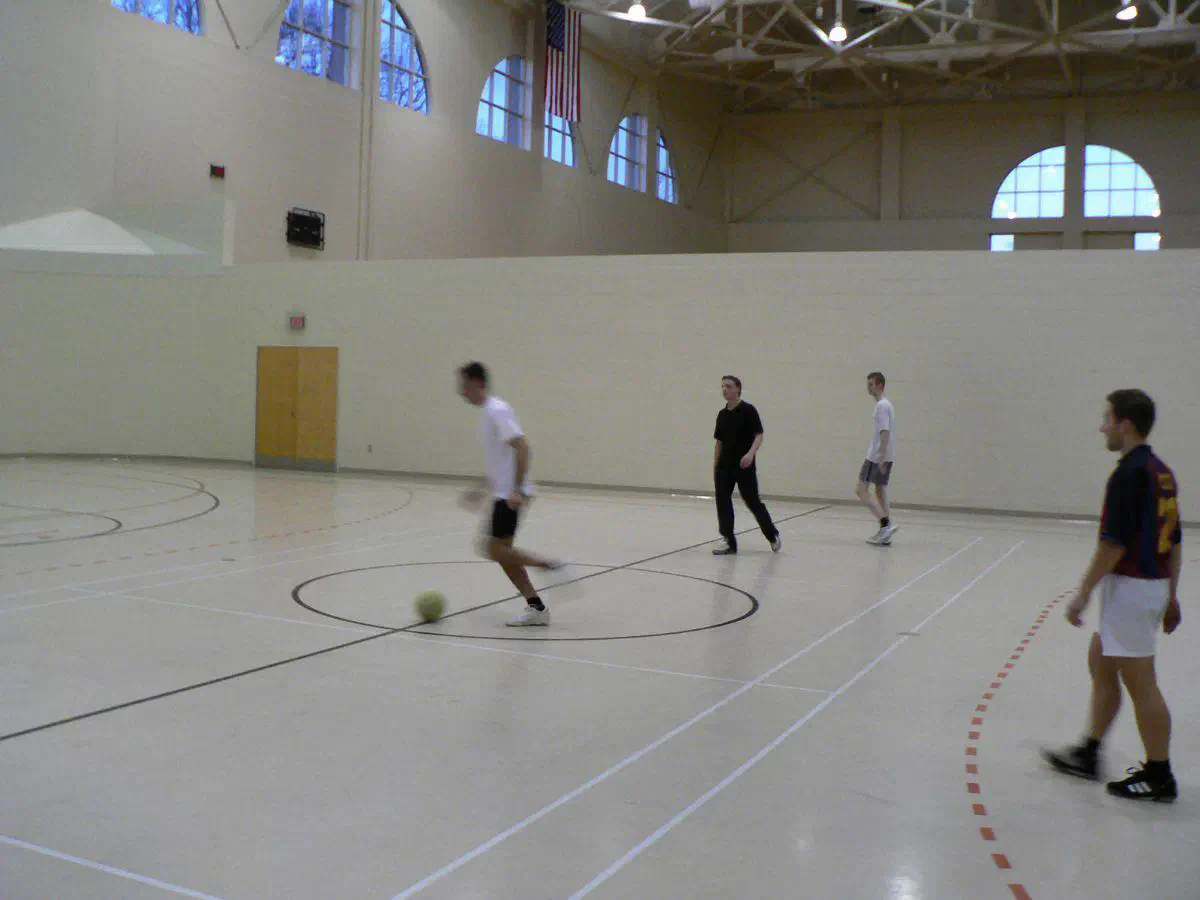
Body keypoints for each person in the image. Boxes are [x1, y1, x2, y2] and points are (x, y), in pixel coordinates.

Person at [1043, 389, 1182, 801]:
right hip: (1146, 588)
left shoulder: (1129, 474)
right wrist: (1171, 595)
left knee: (1142, 683)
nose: (1103, 427)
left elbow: (1112, 545)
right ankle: (1089, 751)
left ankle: (1159, 774)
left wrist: (1082, 594)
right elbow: (1174, 543)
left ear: (1125, 424)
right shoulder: (1160, 472)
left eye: (1108, 419)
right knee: (1101, 660)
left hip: (1133, 589)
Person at [457, 362, 560, 626]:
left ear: (476, 383)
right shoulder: (487, 413)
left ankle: (547, 565)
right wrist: (482, 488)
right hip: (502, 493)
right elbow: (500, 460)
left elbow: (522, 447)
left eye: (464, 385)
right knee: (503, 554)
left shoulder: (497, 410)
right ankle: (536, 607)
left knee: (492, 549)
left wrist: (516, 489)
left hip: (510, 496)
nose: (461, 391)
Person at [711, 375, 781, 556]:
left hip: (744, 466)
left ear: (737, 389)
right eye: (723, 386)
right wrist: (715, 465)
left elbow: (759, 435)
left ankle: (772, 535)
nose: (724, 389)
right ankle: (728, 541)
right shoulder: (722, 414)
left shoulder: (748, 410)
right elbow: (719, 442)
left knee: (752, 501)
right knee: (722, 501)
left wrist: (750, 454)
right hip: (724, 466)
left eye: (728, 386)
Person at [856, 371, 897, 545]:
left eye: (871, 384)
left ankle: (885, 524)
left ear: (880, 385)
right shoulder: (888, 405)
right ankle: (887, 529)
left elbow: (884, 432)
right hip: (886, 454)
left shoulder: (881, 406)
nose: (868, 387)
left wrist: (880, 456)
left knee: (861, 490)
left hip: (876, 456)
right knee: (879, 490)